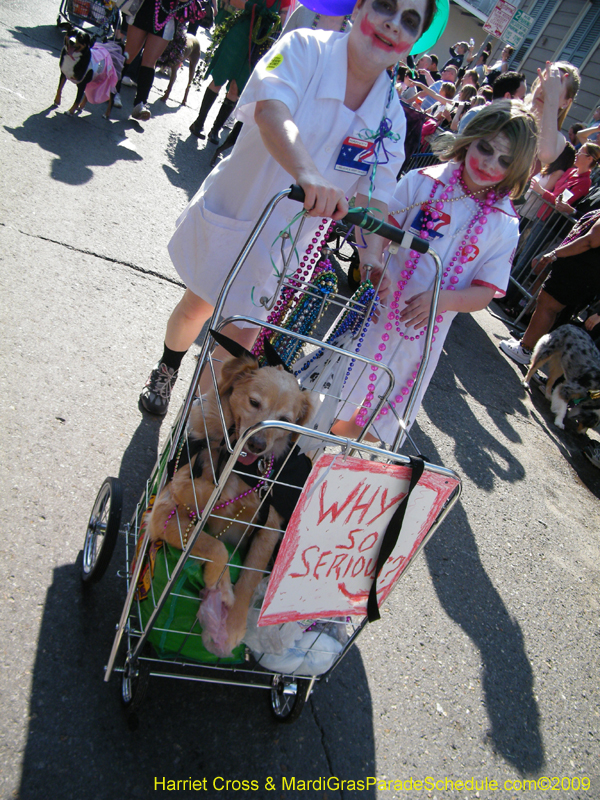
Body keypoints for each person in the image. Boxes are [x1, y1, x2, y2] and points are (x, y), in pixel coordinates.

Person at [140, 0, 440, 415]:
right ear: (359, 7)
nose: (392, 25)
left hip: (284, 246)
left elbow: (373, 197)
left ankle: (195, 427)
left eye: (409, 21)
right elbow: (271, 110)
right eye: (385, 6)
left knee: (238, 345)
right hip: (240, 209)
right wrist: (308, 173)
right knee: (198, 307)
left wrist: (372, 257)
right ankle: (167, 368)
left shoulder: (390, 118)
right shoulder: (304, 48)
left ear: (414, 41)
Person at [329, 100, 538, 442]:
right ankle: (313, 451)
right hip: (376, 313)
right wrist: (374, 262)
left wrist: (443, 300)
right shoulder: (423, 182)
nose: (490, 164)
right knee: (335, 398)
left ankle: (336, 458)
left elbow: (485, 292)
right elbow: (378, 226)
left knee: (379, 424)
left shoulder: (505, 224)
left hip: (421, 338)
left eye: (505, 161)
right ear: (469, 139)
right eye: (485, 148)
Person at [500, 209, 600, 365]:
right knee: (549, 308)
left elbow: (590, 241)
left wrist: (555, 253)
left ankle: (525, 349)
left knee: (547, 306)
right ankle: (530, 347)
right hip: (581, 271)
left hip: (578, 271)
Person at [188, 0, 289, 144]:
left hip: (259, 43)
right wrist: (252, 6)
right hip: (239, 35)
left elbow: (284, 20)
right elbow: (233, 1)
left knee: (237, 87)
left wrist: (276, 23)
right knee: (219, 78)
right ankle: (199, 123)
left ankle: (216, 129)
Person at [117, 0, 204, 120]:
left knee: (150, 61)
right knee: (129, 55)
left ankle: (140, 104)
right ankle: (114, 91)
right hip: (144, 8)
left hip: (166, 16)